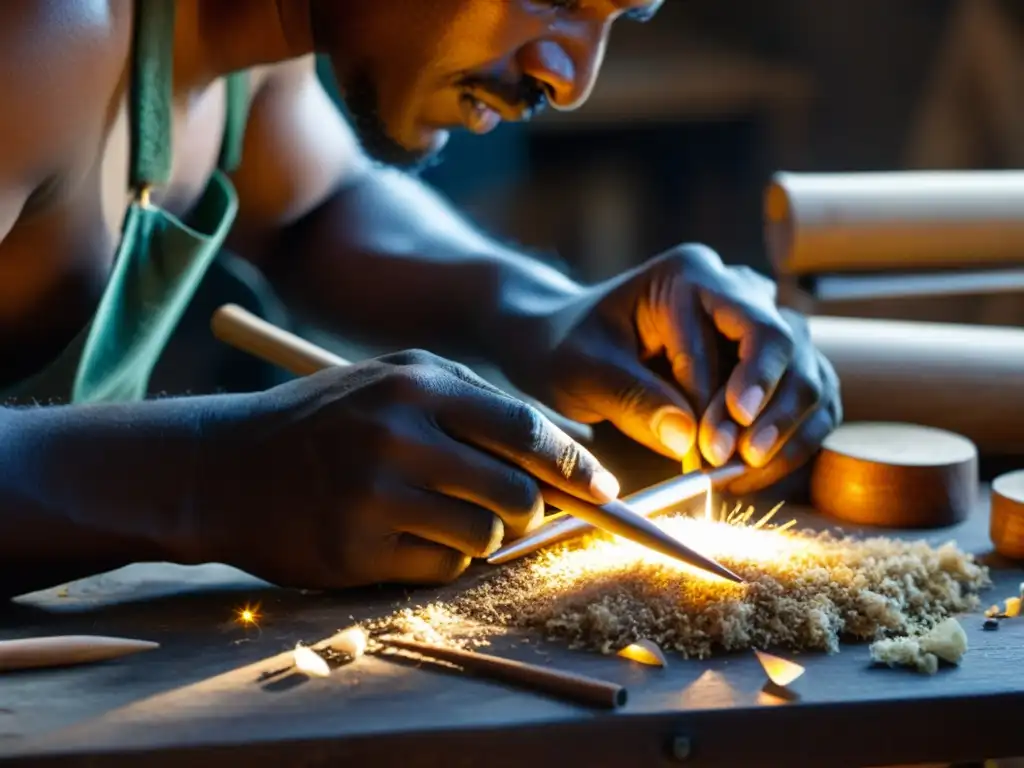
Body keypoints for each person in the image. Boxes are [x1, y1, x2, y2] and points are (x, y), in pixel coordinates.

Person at [0, 0, 841, 600]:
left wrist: (542, 312)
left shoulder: (249, 41)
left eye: (620, 16)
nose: (572, 77)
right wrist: (210, 477)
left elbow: (312, 207)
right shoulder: (37, 38)